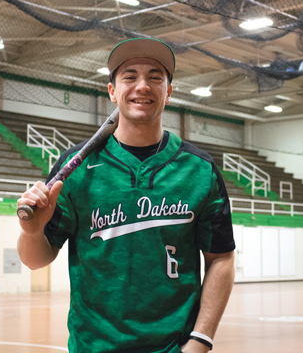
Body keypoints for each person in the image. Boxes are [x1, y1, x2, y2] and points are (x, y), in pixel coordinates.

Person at [17, 38, 235, 353]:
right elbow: (35, 259)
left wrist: (201, 340)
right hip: (92, 346)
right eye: (130, 76)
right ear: (112, 91)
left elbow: (222, 258)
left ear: (169, 93)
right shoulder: (74, 167)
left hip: (174, 348)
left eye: (155, 77)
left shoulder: (200, 170)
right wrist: (32, 231)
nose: (142, 86)